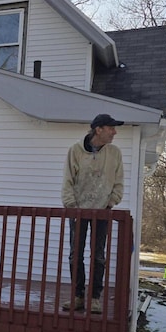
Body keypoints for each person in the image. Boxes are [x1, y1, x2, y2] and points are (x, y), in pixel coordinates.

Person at [61, 114, 125, 313]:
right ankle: (78, 296)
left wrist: (110, 203)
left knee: (98, 256)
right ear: (99, 129)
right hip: (78, 211)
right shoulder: (76, 151)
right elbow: (68, 181)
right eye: (111, 128)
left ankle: (95, 297)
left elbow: (118, 182)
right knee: (75, 255)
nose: (114, 132)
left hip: (102, 211)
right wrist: (72, 206)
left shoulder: (114, 153)